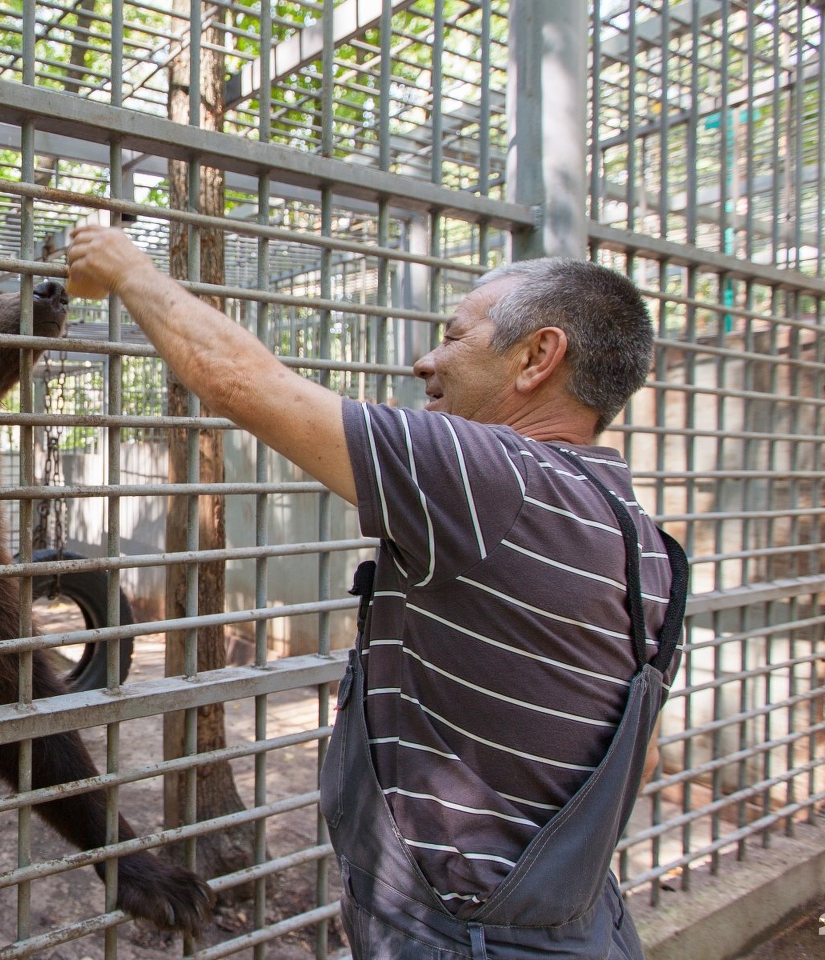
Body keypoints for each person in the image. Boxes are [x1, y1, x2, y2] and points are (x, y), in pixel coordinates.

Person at [65, 225, 687, 960]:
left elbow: (245, 385)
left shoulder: (500, 479)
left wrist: (127, 268)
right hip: (580, 925)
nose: (426, 359)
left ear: (536, 357)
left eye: (455, 337)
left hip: (465, 938)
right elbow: (638, 759)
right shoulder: (643, 538)